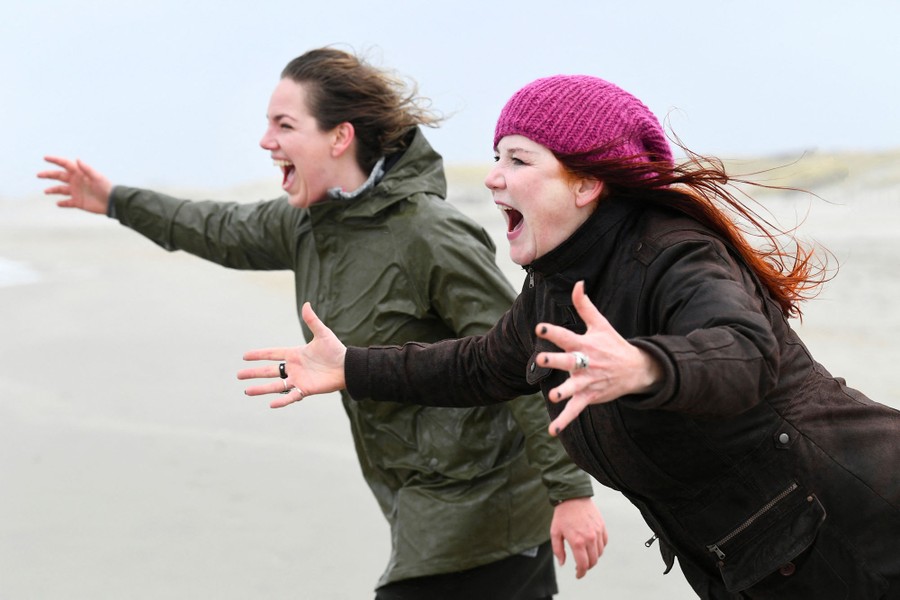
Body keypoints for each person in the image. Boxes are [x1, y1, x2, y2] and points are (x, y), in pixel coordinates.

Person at [238, 74, 900, 599]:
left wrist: (645, 366)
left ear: (586, 182)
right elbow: (474, 367)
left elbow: (741, 350)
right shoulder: (555, 286)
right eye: (495, 158)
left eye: (519, 159)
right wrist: (352, 368)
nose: (494, 176)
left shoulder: (673, 254)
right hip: (766, 558)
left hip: (860, 523)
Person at [38, 50, 609, 599]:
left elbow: (521, 360)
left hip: (485, 503)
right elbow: (215, 226)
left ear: (340, 137)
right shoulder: (312, 224)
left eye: (284, 125)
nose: (266, 141)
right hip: (418, 500)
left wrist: (570, 491)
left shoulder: (428, 233)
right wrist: (115, 199)